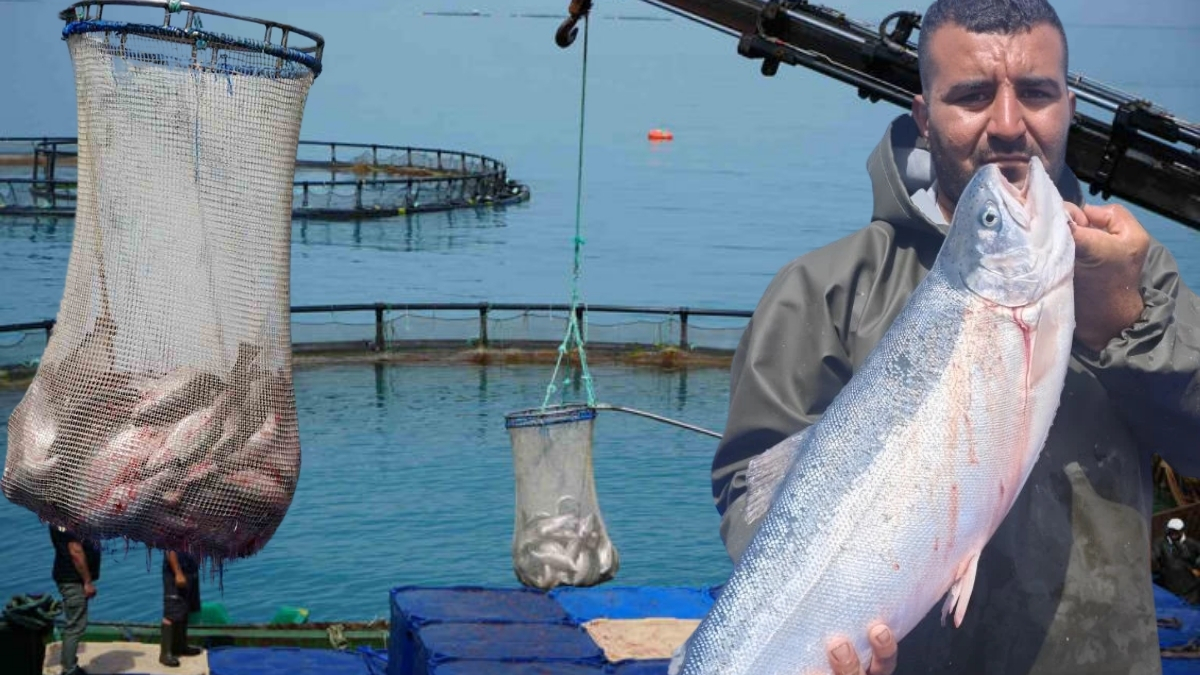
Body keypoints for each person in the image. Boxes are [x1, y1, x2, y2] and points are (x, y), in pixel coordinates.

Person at [709, 0, 1200, 673]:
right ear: (924, 114)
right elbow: (756, 491)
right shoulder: (823, 290)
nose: (1007, 125)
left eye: (1036, 93)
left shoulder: (1134, 274)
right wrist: (825, 637)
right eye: (971, 96)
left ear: (1068, 107)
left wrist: (1127, 322)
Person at [50, 525, 100, 675]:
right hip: (73, 580)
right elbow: (76, 551)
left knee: (74, 623)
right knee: (75, 625)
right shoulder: (68, 524)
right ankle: (69, 669)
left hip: (67, 577)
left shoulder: (55, 520)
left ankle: (70, 665)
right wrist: (87, 581)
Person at [159, 550, 204, 667]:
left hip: (190, 569)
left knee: (184, 609)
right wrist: (178, 573)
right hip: (175, 572)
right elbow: (170, 549)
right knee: (172, 611)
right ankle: (165, 654)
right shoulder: (172, 531)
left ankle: (181, 646)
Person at [1152, 518, 1200, 605]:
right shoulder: (1160, 543)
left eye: (1176, 531)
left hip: (1191, 585)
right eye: (1171, 531)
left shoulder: (1191, 543)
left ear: (1182, 531)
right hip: (1170, 583)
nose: (1173, 533)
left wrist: (1197, 567)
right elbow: (1153, 555)